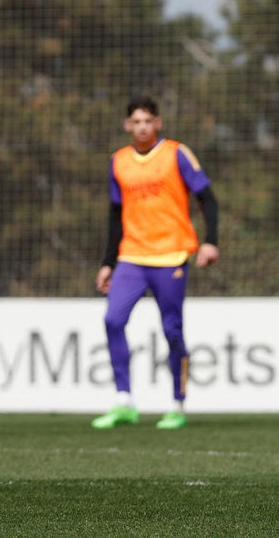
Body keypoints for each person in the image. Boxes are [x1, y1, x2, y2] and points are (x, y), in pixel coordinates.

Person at [92, 97, 219, 430]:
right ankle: (124, 402)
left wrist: (211, 241)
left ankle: (177, 404)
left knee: (171, 331)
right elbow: (116, 214)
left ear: (158, 123)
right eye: (136, 121)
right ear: (127, 126)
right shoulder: (118, 161)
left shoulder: (176, 153)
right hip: (132, 258)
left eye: (148, 120)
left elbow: (207, 196)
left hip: (171, 255)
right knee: (113, 320)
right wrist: (108, 262)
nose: (142, 127)